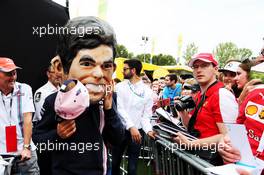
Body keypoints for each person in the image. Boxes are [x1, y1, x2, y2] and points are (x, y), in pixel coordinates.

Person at [32, 16, 125, 175]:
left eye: (106, 66)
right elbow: (39, 141)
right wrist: (58, 134)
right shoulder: (54, 101)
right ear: (61, 67)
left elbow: (118, 139)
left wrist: (109, 110)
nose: (98, 73)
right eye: (87, 64)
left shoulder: (107, 101)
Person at [173, 53, 238, 165]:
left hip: (215, 162)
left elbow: (229, 136)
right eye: (196, 67)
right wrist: (182, 112)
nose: (199, 70)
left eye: (204, 66)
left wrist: (191, 143)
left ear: (215, 69)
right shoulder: (199, 95)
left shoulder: (222, 94)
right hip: (201, 158)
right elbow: (193, 127)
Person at [112, 59, 156, 175]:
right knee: (115, 163)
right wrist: (131, 126)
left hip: (137, 133)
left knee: (132, 167)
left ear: (133, 70)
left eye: (125, 69)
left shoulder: (147, 91)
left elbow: (146, 116)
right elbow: (120, 109)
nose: (122, 72)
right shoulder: (120, 87)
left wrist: (149, 130)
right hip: (121, 130)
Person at [0, 57, 39, 174]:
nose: (13, 77)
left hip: (25, 153)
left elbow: (28, 119)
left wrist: (26, 148)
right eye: (8, 73)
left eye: (14, 72)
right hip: (2, 155)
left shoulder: (24, 89)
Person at [33, 56, 63, 122]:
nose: (57, 75)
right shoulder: (41, 92)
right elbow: (40, 116)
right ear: (48, 74)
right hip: (44, 128)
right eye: (54, 72)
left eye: (59, 72)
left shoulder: (62, 89)